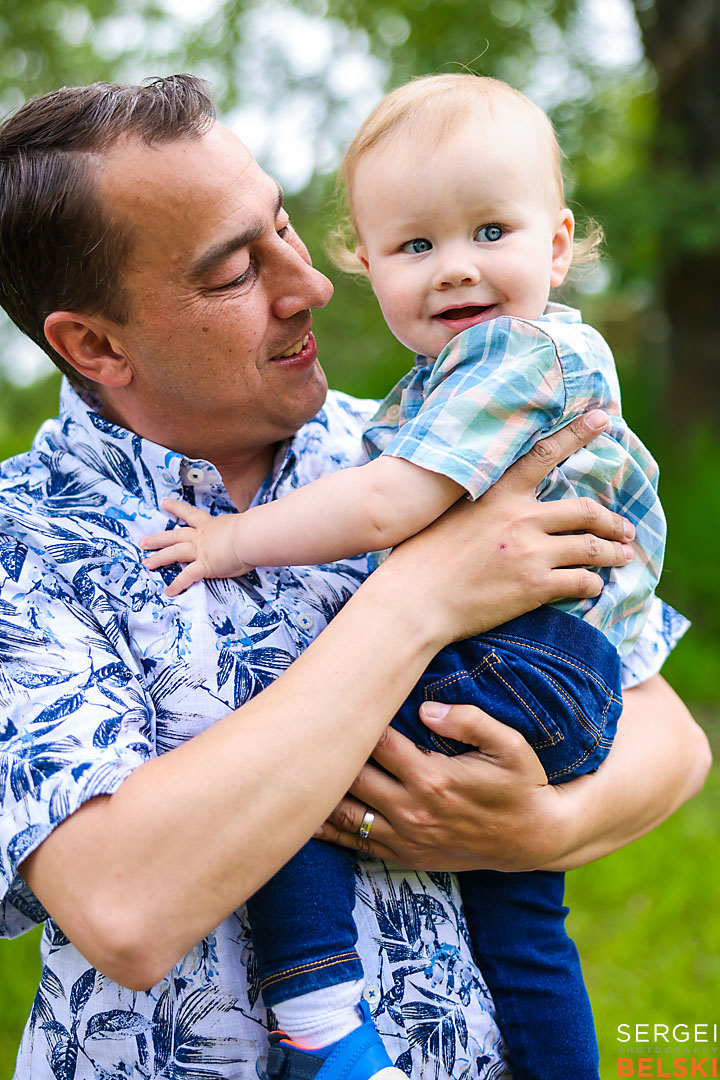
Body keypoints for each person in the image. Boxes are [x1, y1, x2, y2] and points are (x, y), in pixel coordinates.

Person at [0, 75, 708, 1080]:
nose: (311, 285)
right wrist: (422, 599)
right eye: (234, 272)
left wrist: (537, 826)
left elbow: (671, 739)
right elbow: (124, 911)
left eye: (283, 225)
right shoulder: (23, 542)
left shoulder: (423, 446)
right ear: (95, 344)